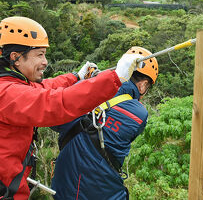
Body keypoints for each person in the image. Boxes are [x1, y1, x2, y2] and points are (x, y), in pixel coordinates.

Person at [0, 16, 144, 200]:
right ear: (16, 58)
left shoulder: (11, 84)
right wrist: (115, 78)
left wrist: (76, 77)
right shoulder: (7, 93)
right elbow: (54, 102)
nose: (45, 61)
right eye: (39, 54)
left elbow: (44, 88)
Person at [51, 47, 159, 200]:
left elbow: (55, 121)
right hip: (106, 192)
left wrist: (86, 81)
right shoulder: (139, 114)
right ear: (143, 85)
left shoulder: (83, 91)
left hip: (63, 189)